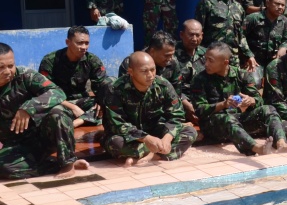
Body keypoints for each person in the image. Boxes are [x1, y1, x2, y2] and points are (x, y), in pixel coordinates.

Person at [190, 42, 287, 156]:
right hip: (214, 124)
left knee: (268, 109)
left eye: (210, 61)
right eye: (206, 59)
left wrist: (251, 100)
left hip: (238, 119)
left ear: (225, 62)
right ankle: (256, 148)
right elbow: (199, 110)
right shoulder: (199, 79)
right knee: (227, 119)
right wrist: (223, 104)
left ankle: (281, 144)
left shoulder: (241, 75)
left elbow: (259, 100)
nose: (206, 64)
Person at [0, 43, 87, 180]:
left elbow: (57, 93)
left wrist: (29, 108)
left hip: (43, 136)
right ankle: (52, 166)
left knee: (58, 112)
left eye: (11, 66)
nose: (7, 71)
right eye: (1, 67)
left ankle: (67, 163)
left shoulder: (24, 76)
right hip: (15, 144)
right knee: (3, 169)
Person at [103, 51, 196, 166]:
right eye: (144, 71)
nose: (151, 75)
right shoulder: (116, 89)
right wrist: (145, 138)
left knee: (189, 132)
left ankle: (152, 155)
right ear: (131, 72)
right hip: (130, 137)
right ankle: (157, 152)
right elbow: (118, 124)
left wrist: (167, 138)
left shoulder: (163, 85)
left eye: (153, 69)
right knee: (115, 143)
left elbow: (176, 115)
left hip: (155, 130)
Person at [38, 26, 112, 128]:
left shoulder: (92, 60)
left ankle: (77, 122)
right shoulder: (50, 60)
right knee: (54, 113)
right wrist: (72, 107)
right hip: (59, 102)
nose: (84, 47)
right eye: (80, 43)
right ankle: (86, 119)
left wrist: (101, 101)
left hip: (82, 100)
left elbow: (101, 84)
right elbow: (45, 91)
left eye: (87, 43)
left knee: (106, 106)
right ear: (68, 42)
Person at [194, 0, 258, 71]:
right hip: (211, 57)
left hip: (232, 58)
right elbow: (198, 31)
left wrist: (249, 55)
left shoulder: (239, 7)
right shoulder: (207, 2)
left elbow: (241, 35)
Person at [118, 31, 184, 98]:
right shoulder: (131, 63)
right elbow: (122, 91)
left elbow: (176, 93)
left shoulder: (173, 63)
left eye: (172, 55)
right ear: (152, 51)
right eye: (166, 56)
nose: (170, 59)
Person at [243, 0, 287, 69]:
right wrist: (249, 55)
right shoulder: (253, 19)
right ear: (268, 3)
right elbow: (241, 38)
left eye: (283, 5)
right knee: (253, 79)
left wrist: (283, 47)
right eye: (277, 4)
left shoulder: (284, 20)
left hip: (274, 61)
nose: (280, 7)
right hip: (254, 61)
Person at [175, 19, 207, 118]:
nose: (194, 39)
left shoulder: (207, 54)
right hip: (179, 99)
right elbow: (170, 87)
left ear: (202, 35)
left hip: (201, 98)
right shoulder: (171, 54)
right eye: (191, 35)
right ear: (181, 35)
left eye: (198, 35)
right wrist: (187, 105)